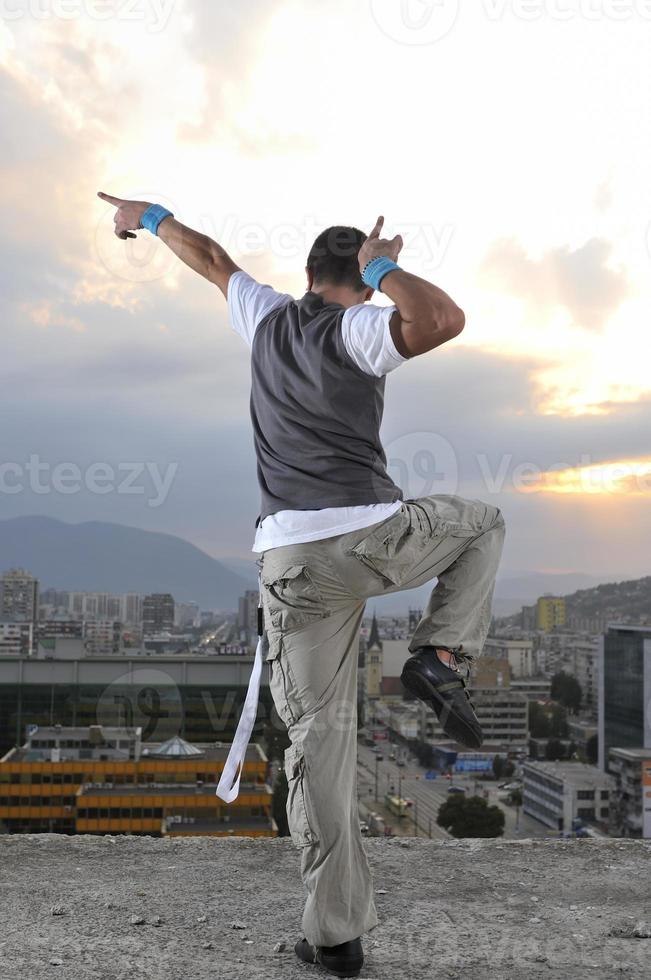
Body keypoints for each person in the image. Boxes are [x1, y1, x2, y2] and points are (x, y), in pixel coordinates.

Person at [97, 193, 506, 979]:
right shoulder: (354, 324)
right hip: (367, 538)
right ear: (350, 278)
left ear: (305, 273)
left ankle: (335, 937)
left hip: (287, 564)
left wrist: (148, 219)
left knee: (318, 749)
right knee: (480, 523)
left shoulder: (265, 316)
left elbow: (211, 259)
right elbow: (443, 319)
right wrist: (383, 266)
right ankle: (439, 655)